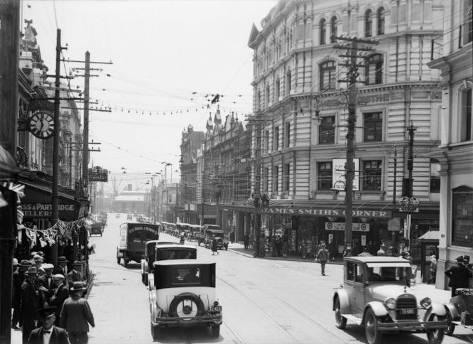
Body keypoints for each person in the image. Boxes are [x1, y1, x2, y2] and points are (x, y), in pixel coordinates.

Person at [20, 266, 42, 344]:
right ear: (29, 276)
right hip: (29, 314)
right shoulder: (26, 285)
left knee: (29, 335)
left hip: (31, 314)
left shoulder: (32, 284)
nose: (34, 277)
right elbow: (26, 302)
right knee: (30, 334)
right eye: (32, 275)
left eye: (34, 275)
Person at [12, 258, 22, 330]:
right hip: (14, 294)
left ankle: (14, 323)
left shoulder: (17, 273)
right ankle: (13, 323)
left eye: (16, 266)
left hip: (16, 294)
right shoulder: (16, 274)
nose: (15, 267)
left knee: (17, 310)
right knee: (16, 310)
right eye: (14, 266)